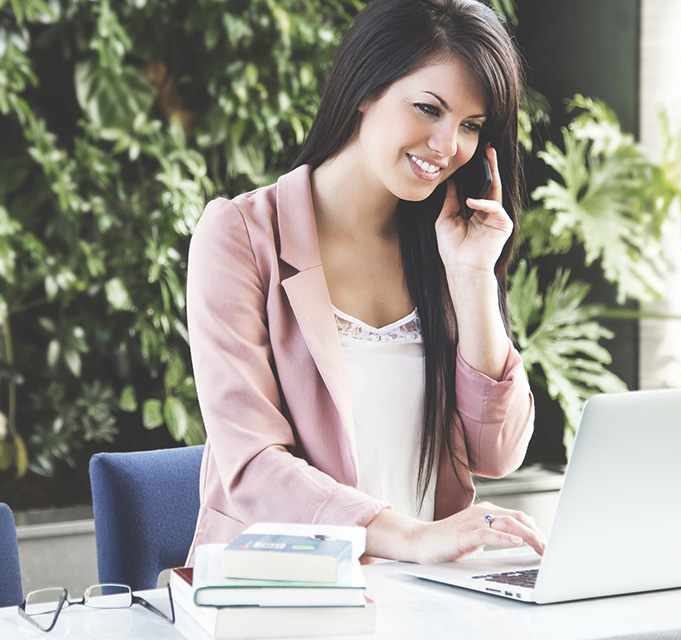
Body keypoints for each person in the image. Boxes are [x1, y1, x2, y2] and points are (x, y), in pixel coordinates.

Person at [185, 0, 546, 566]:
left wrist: (473, 278)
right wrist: (411, 537)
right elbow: (251, 464)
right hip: (283, 588)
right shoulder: (241, 235)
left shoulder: (445, 246)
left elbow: (498, 452)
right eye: (428, 109)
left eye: (471, 126)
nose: (448, 145)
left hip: (424, 592)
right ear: (364, 89)